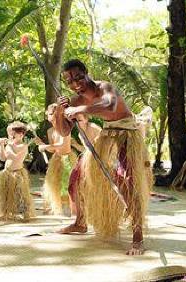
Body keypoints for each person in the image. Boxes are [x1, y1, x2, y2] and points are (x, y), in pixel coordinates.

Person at [54, 59, 153, 255]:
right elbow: (64, 131)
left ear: (86, 73)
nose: (75, 84)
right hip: (107, 136)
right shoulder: (75, 100)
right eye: (70, 81)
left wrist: (80, 110)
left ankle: (138, 236)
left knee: (127, 181)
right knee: (76, 178)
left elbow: (109, 105)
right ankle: (80, 222)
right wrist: (59, 110)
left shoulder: (104, 87)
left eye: (78, 77)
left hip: (126, 135)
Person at [35, 104, 71, 215]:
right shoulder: (50, 130)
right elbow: (53, 149)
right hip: (57, 159)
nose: (48, 117)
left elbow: (61, 144)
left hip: (67, 159)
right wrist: (41, 144)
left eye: (51, 114)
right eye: (48, 114)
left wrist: (44, 147)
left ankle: (69, 208)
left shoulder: (65, 128)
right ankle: (56, 207)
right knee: (53, 183)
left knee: (66, 184)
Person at [0, 121, 35, 222]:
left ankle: (25, 213)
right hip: (7, 172)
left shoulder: (23, 146)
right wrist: (1, 145)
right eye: (11, 133)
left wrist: (10, 146)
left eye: (15, 133)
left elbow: (16, 157)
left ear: (21, 134)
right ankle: (7, 212)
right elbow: (3, 158)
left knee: (20, 194)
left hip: (18, 173)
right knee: (6, 193)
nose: (12, 135)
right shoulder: (10, 145)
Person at [65, 114, 101, 216]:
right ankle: (79, 213)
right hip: (88, 159)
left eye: (80, 120)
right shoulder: (81, 133)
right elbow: (86, 149)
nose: (77, 122)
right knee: (74, 182)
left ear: (86, 119)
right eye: (75, 120)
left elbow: (103, 145)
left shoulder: (94, 128)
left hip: (99, 160)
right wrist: (75, 144)